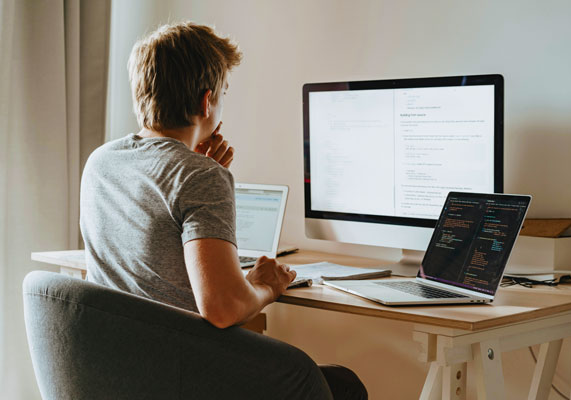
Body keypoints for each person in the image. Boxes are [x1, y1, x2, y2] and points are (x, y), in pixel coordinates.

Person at [80, 22, 367, 400]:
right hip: (179, 375)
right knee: (342, 384)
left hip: (118, 373)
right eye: (224, 94)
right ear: (206, 101)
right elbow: (223, 307)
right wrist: (267, 285)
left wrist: (199, 169)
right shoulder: (200, 175)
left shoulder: (101, 162)